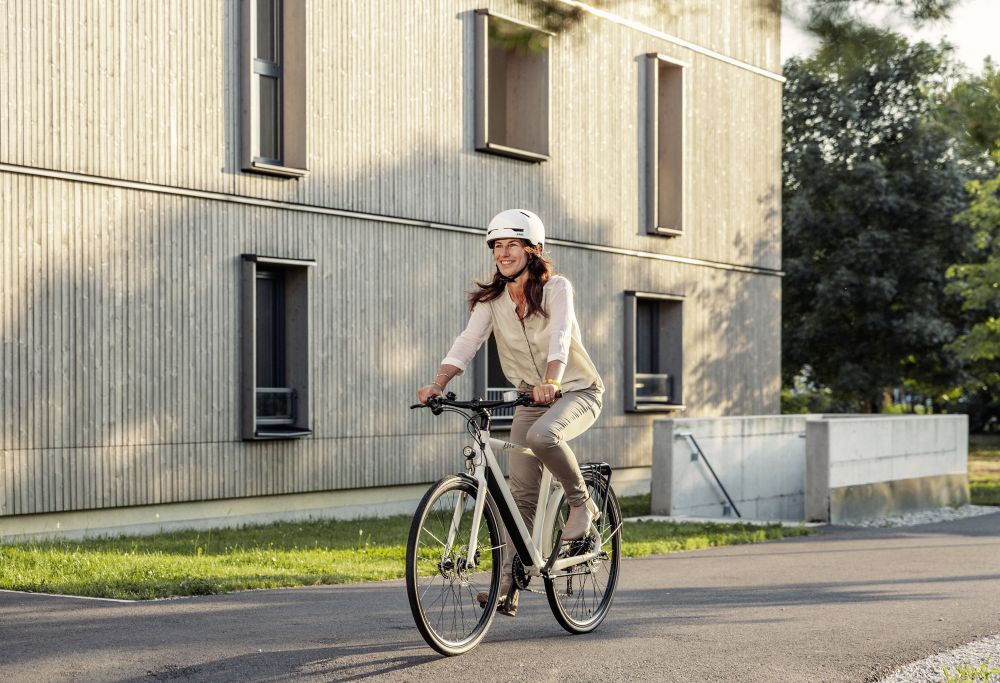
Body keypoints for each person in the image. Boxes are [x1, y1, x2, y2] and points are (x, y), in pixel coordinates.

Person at [417, 209, 604, 616]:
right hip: (528, 398)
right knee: (518, 494)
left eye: (511, 245)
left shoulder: (556, 288)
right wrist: (438, 383)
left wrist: (553, 380)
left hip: (576, 391)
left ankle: (581, 503)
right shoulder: (493, 300)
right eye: (497, 246)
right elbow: (467, 342)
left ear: (532, 250)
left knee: (542, 437)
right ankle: (508, 585)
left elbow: (561, 334)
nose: (502, 253)